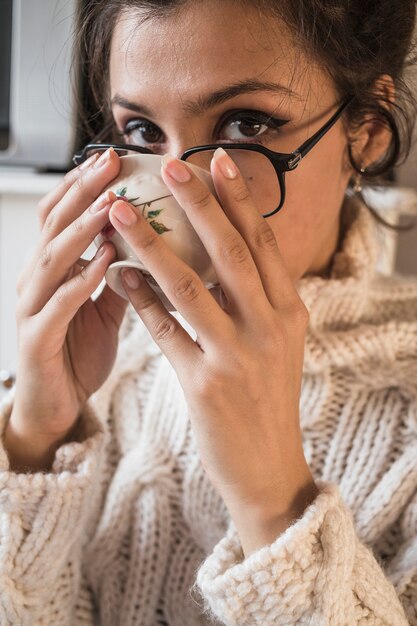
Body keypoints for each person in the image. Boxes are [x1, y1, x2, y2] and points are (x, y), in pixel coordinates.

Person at [1, 0, 416, 624]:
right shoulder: (102, 368)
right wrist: (38, 436)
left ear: (366, 130)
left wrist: (274, 497)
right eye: (141, 132)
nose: (176, 185)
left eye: (245, 125)